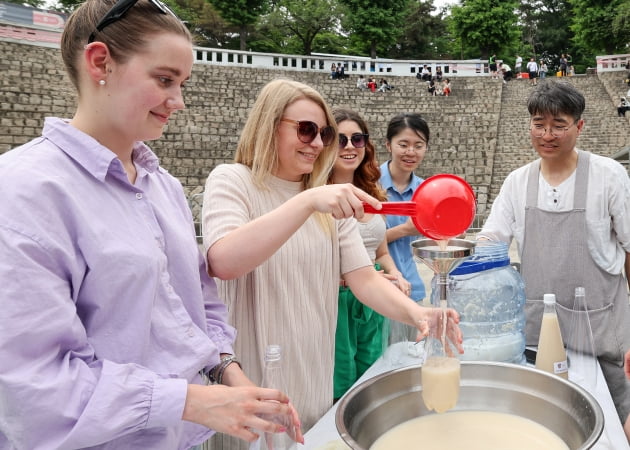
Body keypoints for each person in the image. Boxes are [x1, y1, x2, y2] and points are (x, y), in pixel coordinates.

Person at [0, 0, 303, 448]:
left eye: (182, 84)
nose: (177, 102)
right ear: (100, 61)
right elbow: (30, 384)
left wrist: (230, 375)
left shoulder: (165, 188)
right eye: (164, 80)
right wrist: (189, 402)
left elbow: (197, 304)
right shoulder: (24, 192)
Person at [201, 79, 463, 448]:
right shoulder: (233, 181)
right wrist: (308, 201)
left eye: (323, 132)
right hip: (248, 378)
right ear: (268, 124)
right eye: (306, 130)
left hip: (313, 374)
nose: (318, 143)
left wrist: (419, 314)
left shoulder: (325, 200)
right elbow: (224, 260)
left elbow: (364, 280)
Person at [477, 80, 630, 440]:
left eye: (559, 125)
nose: (547, 134)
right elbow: (491, 239)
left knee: (614, 427)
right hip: (539, 334)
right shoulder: (518, 181)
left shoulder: (609, 175)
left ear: (579, 126)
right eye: (539, 124)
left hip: (602, 332)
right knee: (547, 429)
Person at [328, 107, 411, 400]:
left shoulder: (371, 190)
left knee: (371, 380)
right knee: (339, 385)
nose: (350, 147)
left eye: (357, 139)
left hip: (373, 300)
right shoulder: (316, 192)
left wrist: (395, 273)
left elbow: (380, 250)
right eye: (340, 140)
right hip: (335, 304)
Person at [379, 113, 431, 343]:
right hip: (377, 293)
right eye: (404, 144)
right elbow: (360, 241)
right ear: (388, 145)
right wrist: (404, 230)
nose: (411, 152)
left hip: (412, 290)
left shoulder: (426, 191)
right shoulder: (369, 184)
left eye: (418, 145)